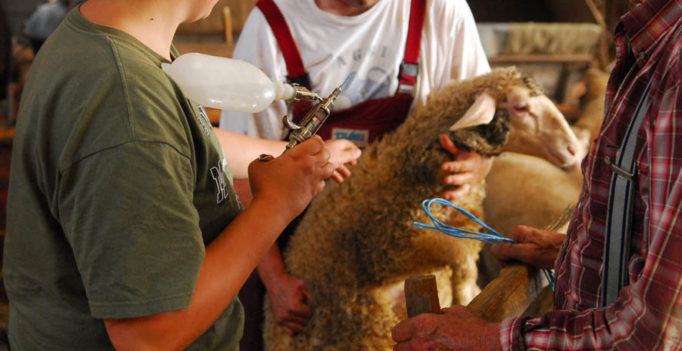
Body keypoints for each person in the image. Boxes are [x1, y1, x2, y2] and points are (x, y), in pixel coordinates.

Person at [2, 0, 360, 349]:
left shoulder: (103, 37)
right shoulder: (125, 99)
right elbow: (149, 335)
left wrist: (288, 157)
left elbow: (168, 143)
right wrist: (275, 205)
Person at [391, 0, 682, 349]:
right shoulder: (651, 41)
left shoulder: (674, 66)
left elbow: (650, 335)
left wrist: (487, 339)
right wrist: (580, 254)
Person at [218, 0, 494, 349]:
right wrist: (276, 279)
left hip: (406, 250)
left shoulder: (439, 11)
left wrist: (478, 162)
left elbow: (483, 122)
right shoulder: (272, 23)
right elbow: (243, 173)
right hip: (297, 254)